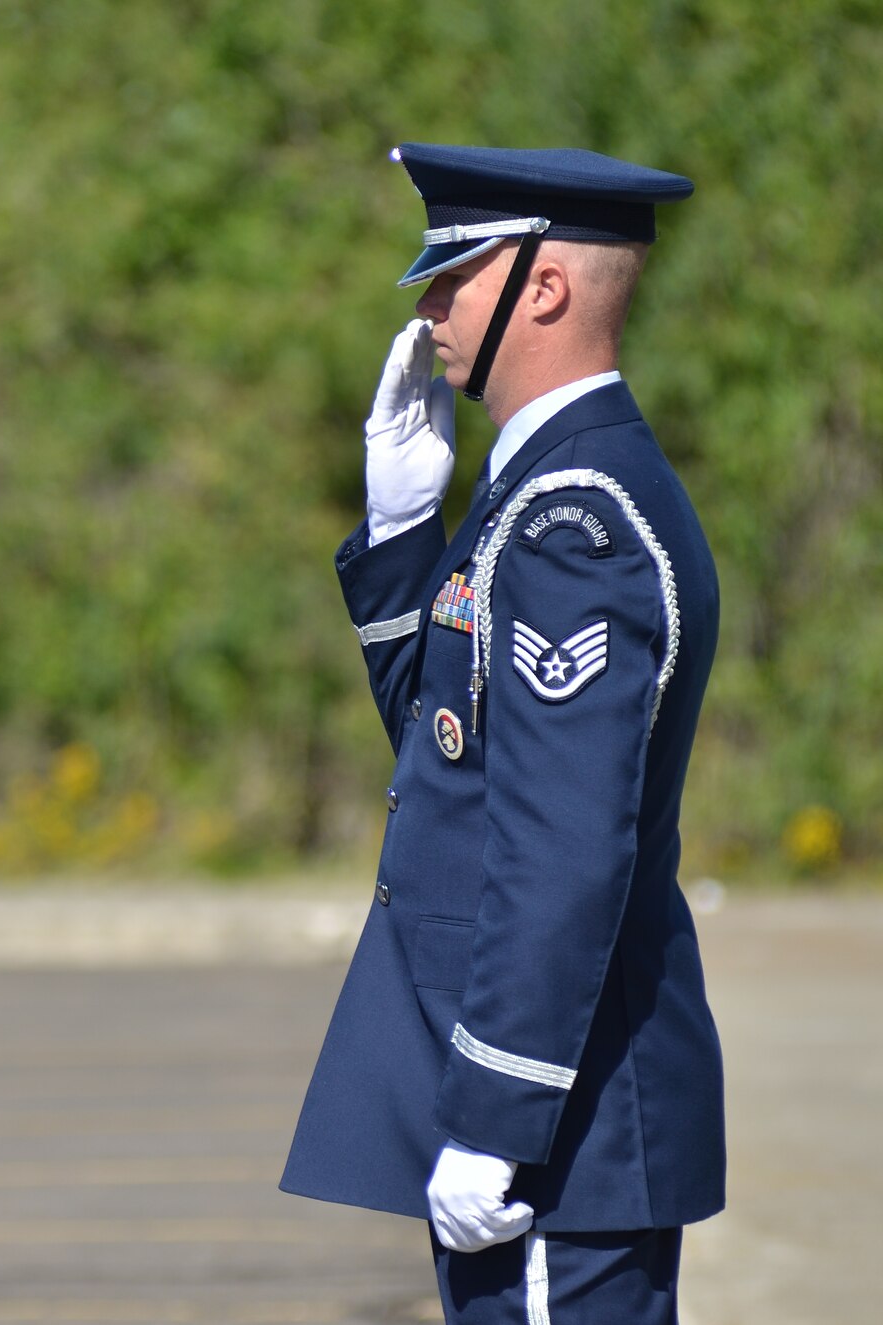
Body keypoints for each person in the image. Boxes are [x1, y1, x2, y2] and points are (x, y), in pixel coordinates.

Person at [280, 145, 724, 1324]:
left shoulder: (575, 523)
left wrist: (493, 1115)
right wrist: (397, 528)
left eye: (453, 275)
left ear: (543, 288)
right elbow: (449, 754)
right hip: (553, 1116)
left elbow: (560, 850)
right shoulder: (537, 496)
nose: (427, 307)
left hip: (557, 1133)